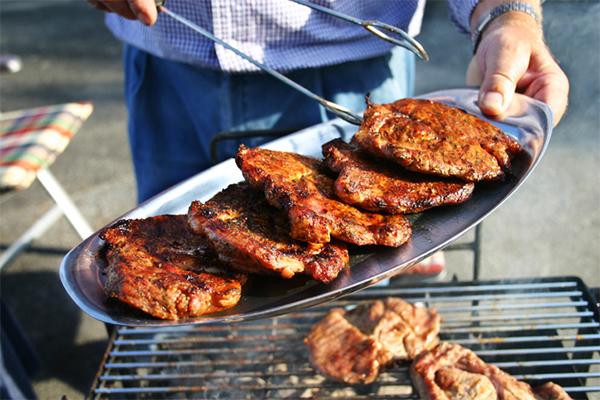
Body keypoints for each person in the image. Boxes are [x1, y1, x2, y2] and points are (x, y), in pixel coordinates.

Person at [82, 0, 569, 277]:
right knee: (169, 265)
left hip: (353, 74)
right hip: (169, 68)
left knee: (364, 285)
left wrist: (507, 13)